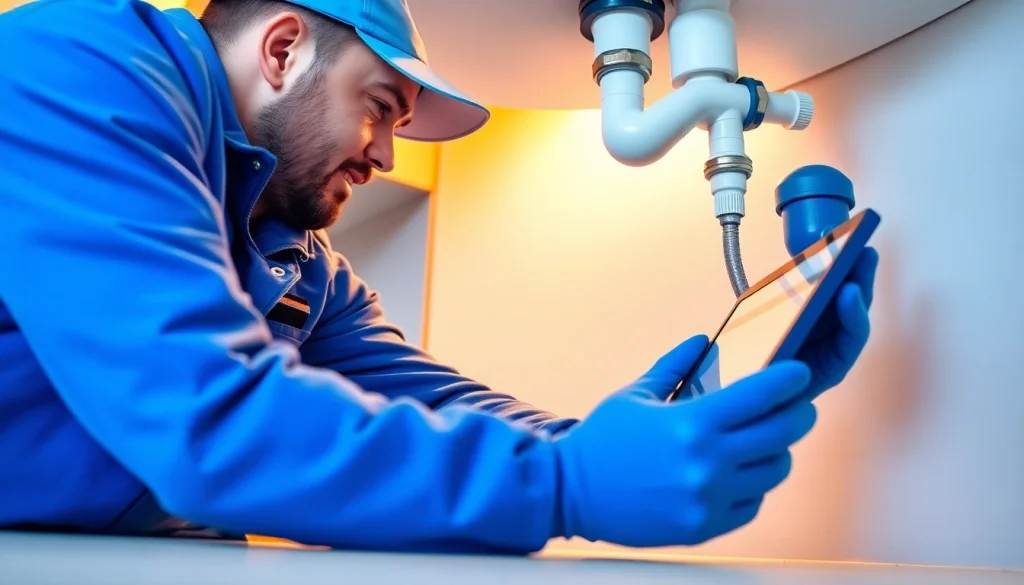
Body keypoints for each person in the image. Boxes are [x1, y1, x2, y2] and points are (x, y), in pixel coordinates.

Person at [0, 0, 880, 554]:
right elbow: (207, 420)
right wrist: (570, 485)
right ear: (281, 49)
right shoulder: (83, 61)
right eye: (381, 107)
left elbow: (429, 399)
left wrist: (629, 438)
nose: (386, 152)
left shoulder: (296, 255)